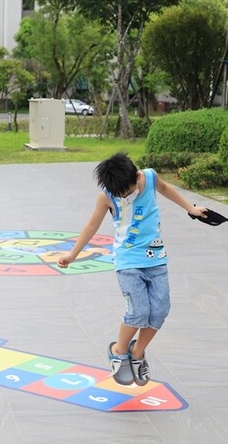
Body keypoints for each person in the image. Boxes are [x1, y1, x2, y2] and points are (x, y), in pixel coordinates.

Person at [58, 152, 207, 385]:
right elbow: (91, 225)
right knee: (139, 311)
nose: (124, 198)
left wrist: (191, 208)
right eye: (119, 195)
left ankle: (137, 353)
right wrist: (72, 254)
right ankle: (119, 351)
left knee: (159, 310)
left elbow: (166, 189)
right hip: (127, 261)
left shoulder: (149, 178)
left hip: (156, 259)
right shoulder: (106, 196)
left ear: (136, 176)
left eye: (127, 193)